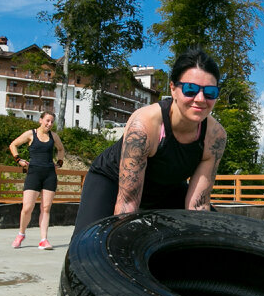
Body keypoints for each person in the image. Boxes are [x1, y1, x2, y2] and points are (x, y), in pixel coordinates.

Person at [72, 47, 227, 236]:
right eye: (190, 89)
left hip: (166, 187)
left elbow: (198, 206)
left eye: (210, 92)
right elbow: (128, 204)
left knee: (215, 234)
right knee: (88, 244)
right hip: (113, 181)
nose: (200, 99)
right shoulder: (145, 125)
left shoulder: (215, 136)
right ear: (173, 89)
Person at [9, 111, 67, 250]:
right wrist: (18, 159)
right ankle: (21, 234)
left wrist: (59, 162)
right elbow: (13, 145)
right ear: (41, 120)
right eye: (47, 120)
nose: (49, 124)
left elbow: (61, 149)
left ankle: (43, 240)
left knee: (46, 208)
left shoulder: (54, 136)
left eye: (52, 121)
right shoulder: (31, 134)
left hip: (49, 174)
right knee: (27, 208)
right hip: (34, 173)